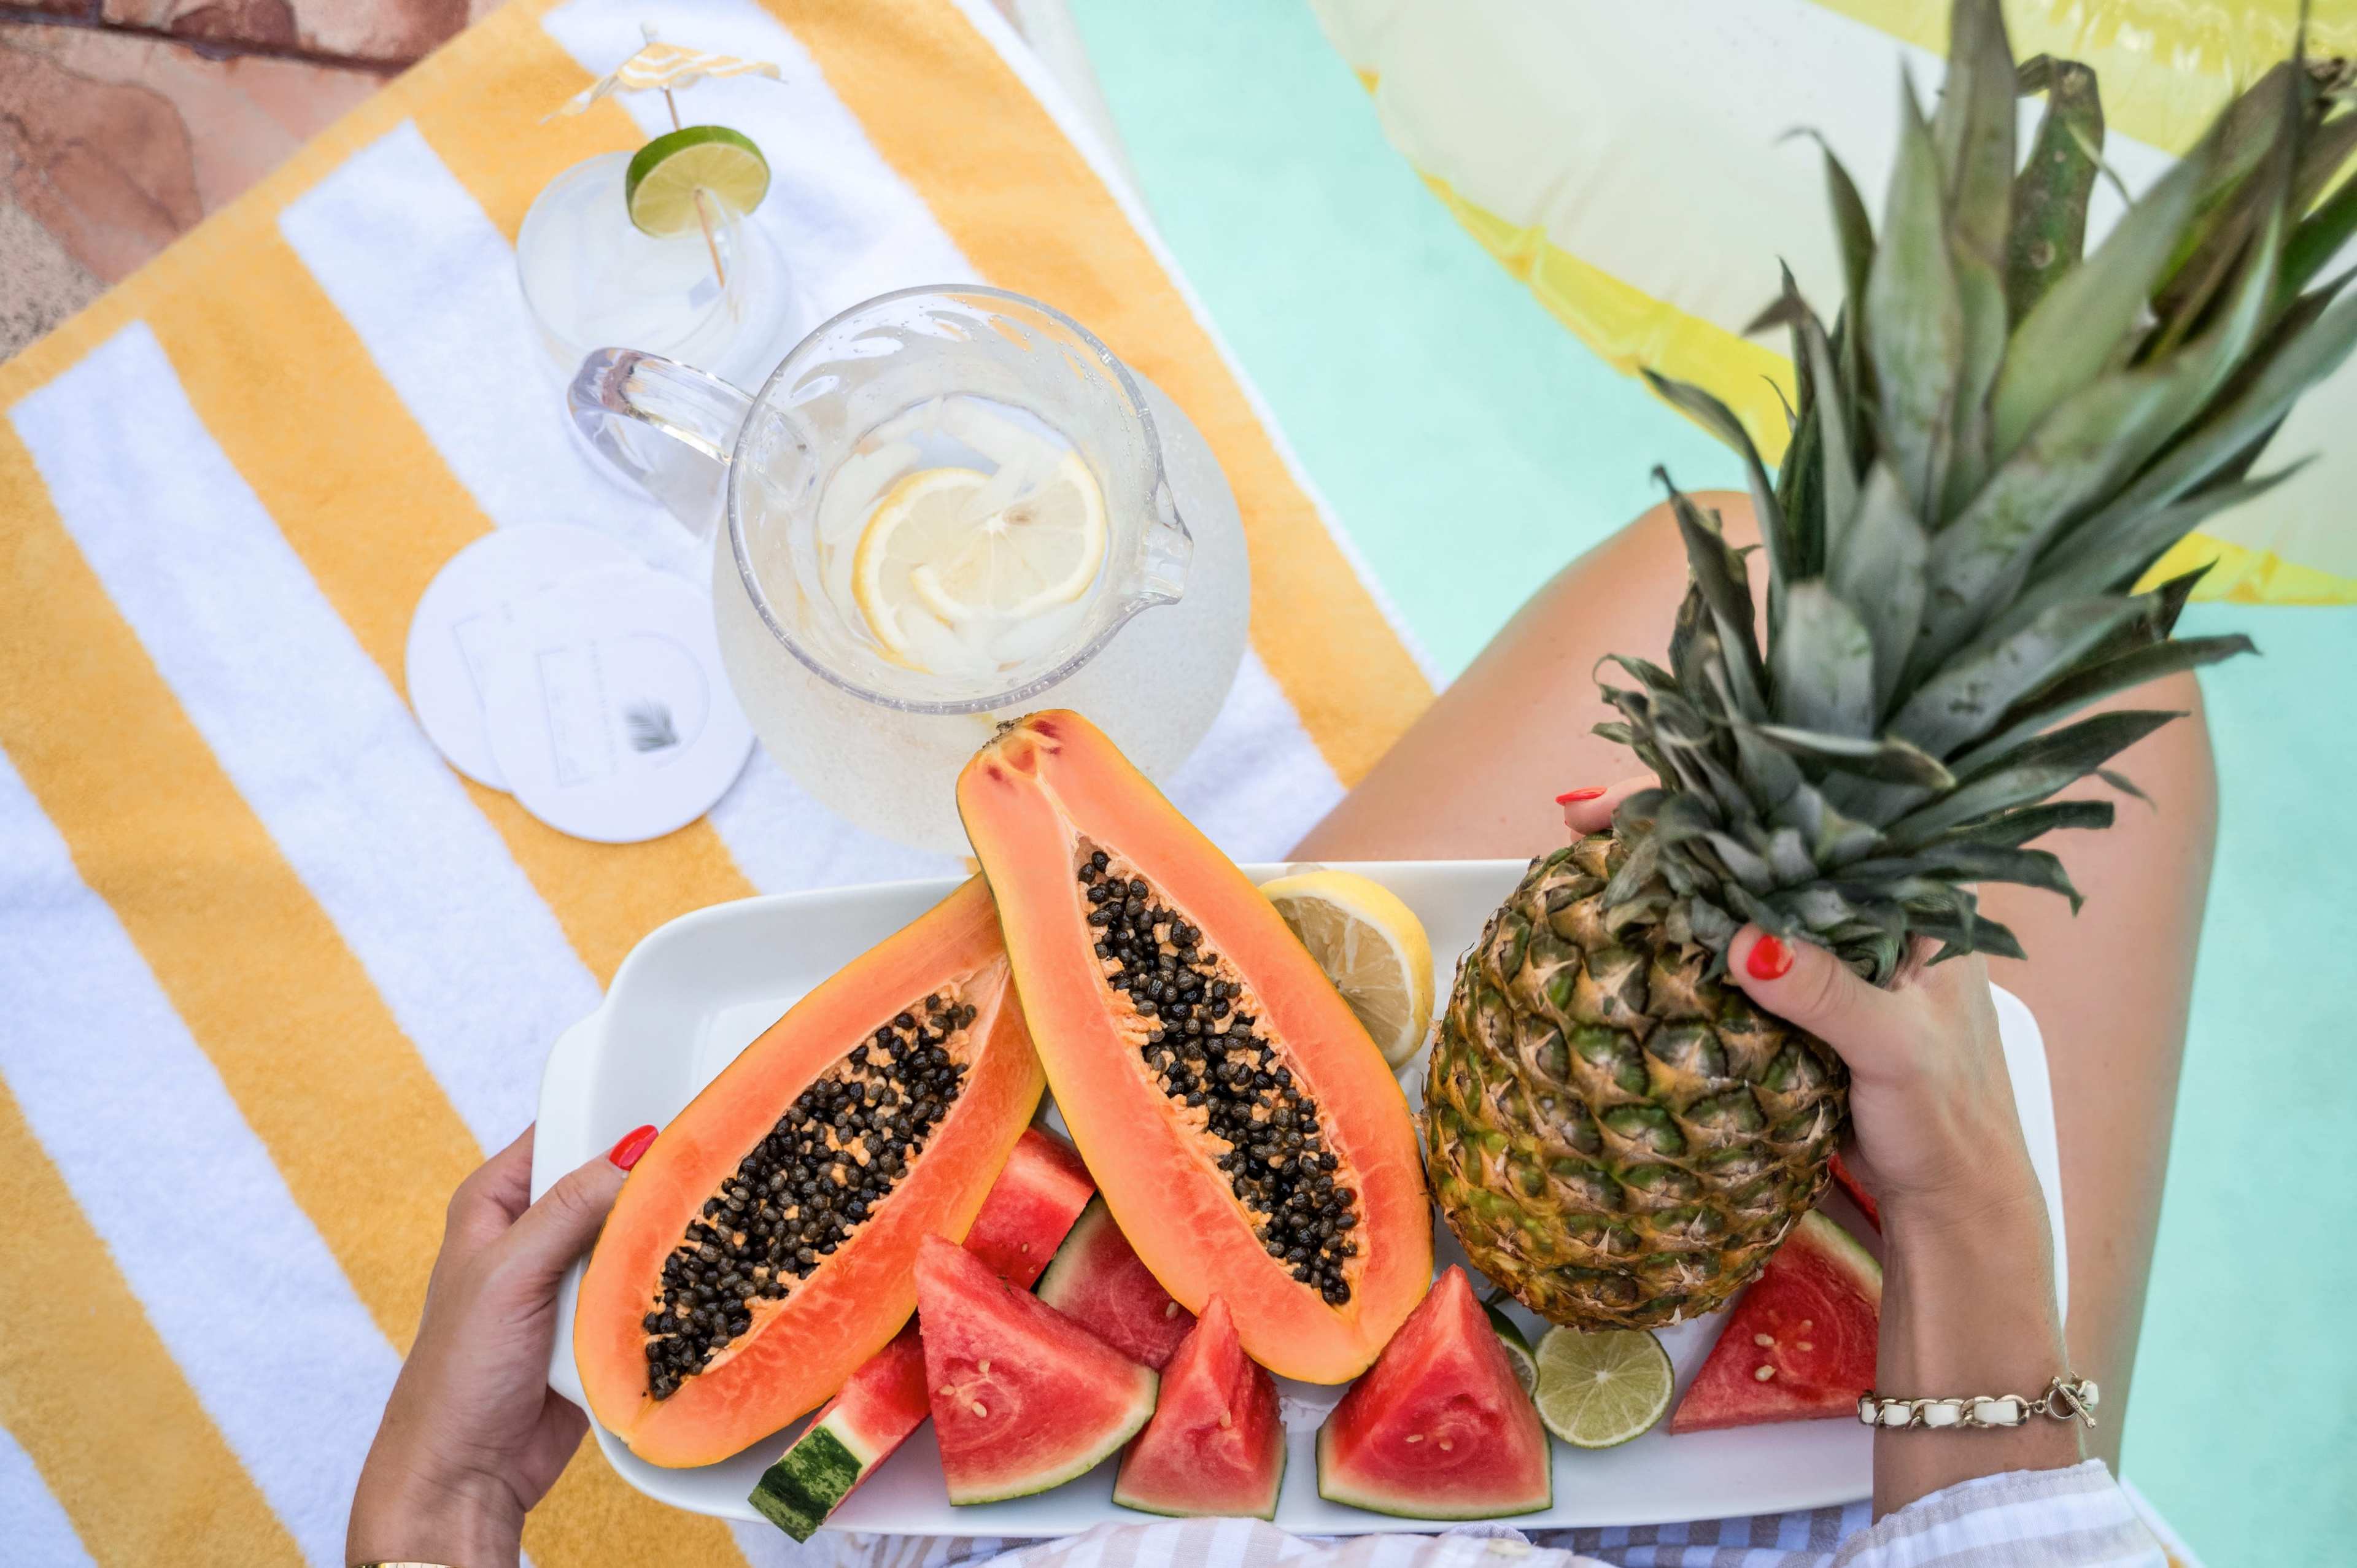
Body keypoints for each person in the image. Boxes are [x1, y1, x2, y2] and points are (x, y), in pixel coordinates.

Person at [351, 492, 2192, 1565]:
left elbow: (852, 1456)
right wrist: (1959, 1209)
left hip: (1026, 1512)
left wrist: (443, 1509)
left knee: (1817, 566)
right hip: (1724, 1481)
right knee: (2081, 659)